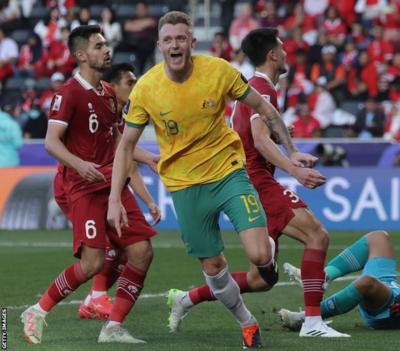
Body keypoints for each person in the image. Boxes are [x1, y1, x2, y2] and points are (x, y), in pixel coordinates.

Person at [107, 13, 319, 349]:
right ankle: (247, 323)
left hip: (229, 173)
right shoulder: (147, 88)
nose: (175, 44)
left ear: (192, 42)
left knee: (261, 256)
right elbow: (126, 146)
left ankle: (267, 248)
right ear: (160, 45)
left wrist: (291, 151)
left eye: (181, 38)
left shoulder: (218, 71)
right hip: (185, 187)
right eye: (168, 39)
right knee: (214, 265)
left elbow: (264, 108)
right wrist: (114, 199)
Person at [165, 28, 349, 338]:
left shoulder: (252, 88)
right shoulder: (262, 88)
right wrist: (295, 169)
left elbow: (253, 134)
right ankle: (313, 324)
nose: (287, 53)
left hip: (249, 177)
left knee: (263, 279)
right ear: (273, 55)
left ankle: (186, 298)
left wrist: (283, 141)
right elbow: (260, 141)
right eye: (283, 47)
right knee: (317, 235)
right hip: (256, 180)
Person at [20, 25, 158, 345]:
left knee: (141, 252)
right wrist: (80, 165)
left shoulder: (109, 94)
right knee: (93, 263)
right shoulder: (68, 93)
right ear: (82, 55)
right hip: (83, 186)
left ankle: (112, 328)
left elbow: (120, 141)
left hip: (111, 183)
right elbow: (51, 142)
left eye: (106, 44)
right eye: (98, 46)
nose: (106, 49)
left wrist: (148, 157)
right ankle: (37, 311)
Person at [69, 62, 160, 320]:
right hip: (82, 186)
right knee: (113, 242)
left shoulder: (118, 115)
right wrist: (150, 201)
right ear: (113, 86)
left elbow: (126, 155)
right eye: (130, 82)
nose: (136, 86)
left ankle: (94, 299)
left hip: (103, 184)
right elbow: (127, 163)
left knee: (128, 247)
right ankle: (95, 297)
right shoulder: (98, 109)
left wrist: (148, 159)